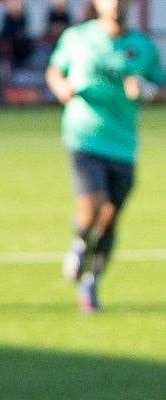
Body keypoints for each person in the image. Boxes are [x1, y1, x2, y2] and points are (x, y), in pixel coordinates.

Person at [46, 0, 162, 312]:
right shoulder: (78, 38)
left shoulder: (142, 46)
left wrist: (148, 91)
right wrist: (61, 88)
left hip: (123, 145)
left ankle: (91, 282)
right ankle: (80, 243)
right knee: (92, 202)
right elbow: (55, 70)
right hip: (85, 136)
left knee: (110, 219)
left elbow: (161, 85)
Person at [0, 0, 34, 71]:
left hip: (20, 47)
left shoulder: (23, 17)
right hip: (9, 46)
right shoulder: (6, 17)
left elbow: (23, 31)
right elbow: (5, 32)